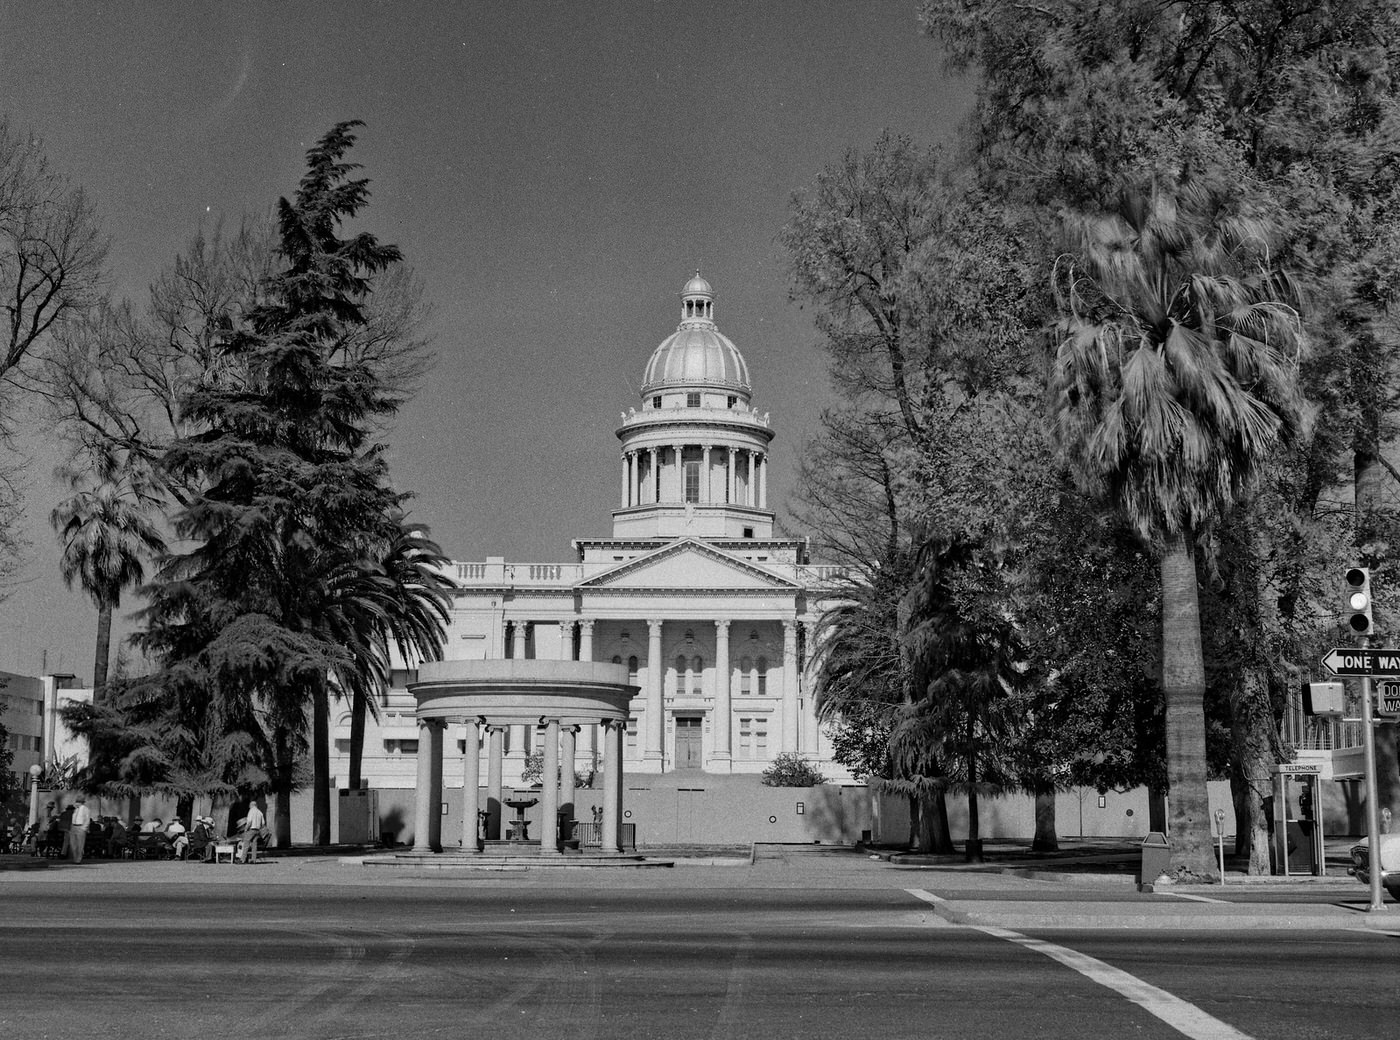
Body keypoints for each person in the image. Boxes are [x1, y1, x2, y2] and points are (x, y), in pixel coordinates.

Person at [68, 795, 92, 864]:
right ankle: (75, 858)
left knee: (80, 844)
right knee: (73, 844)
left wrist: (83, 828)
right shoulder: (76, 809)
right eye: (76, 802)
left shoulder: (85, 809)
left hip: (80, 827)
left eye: (78, 802)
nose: (76, 803)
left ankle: (78, 860)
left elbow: (87, 820)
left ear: (81, 802)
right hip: (73, 827)